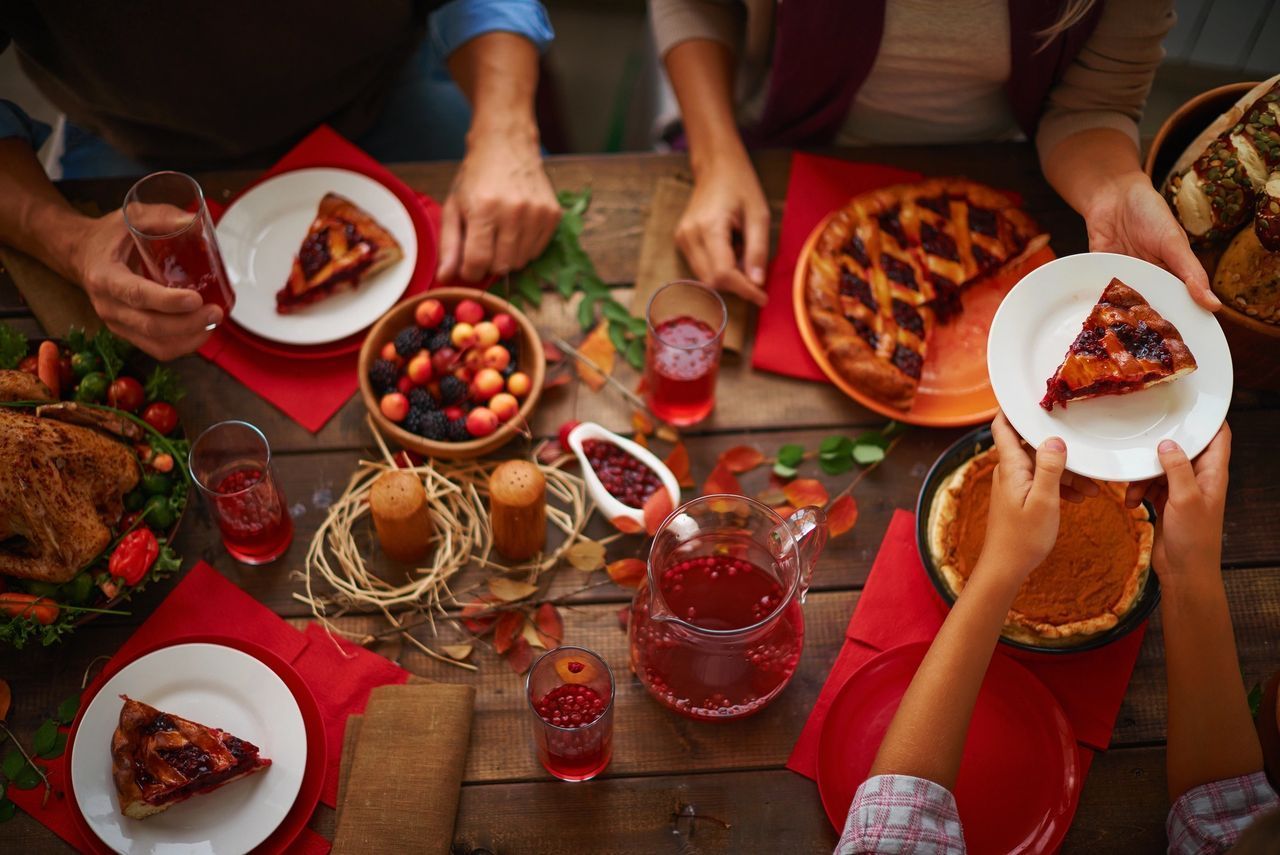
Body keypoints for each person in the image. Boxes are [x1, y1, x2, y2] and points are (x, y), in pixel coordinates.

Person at [0, 0, 562, 360]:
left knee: (514, 261)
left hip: (383, 90)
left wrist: (506, 133)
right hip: (133, 142)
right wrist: (70, 244)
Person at [836, 416, 1279, 853]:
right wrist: (1188, 572)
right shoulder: (1248, 834)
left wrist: (1000, 566)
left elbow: (898, 825)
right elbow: (1223, 811)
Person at [649, 0, 1220, 313]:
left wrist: (1114, 189)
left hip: (997, 182)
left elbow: (1091, 106)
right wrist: (717, 157)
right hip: (775, 149)